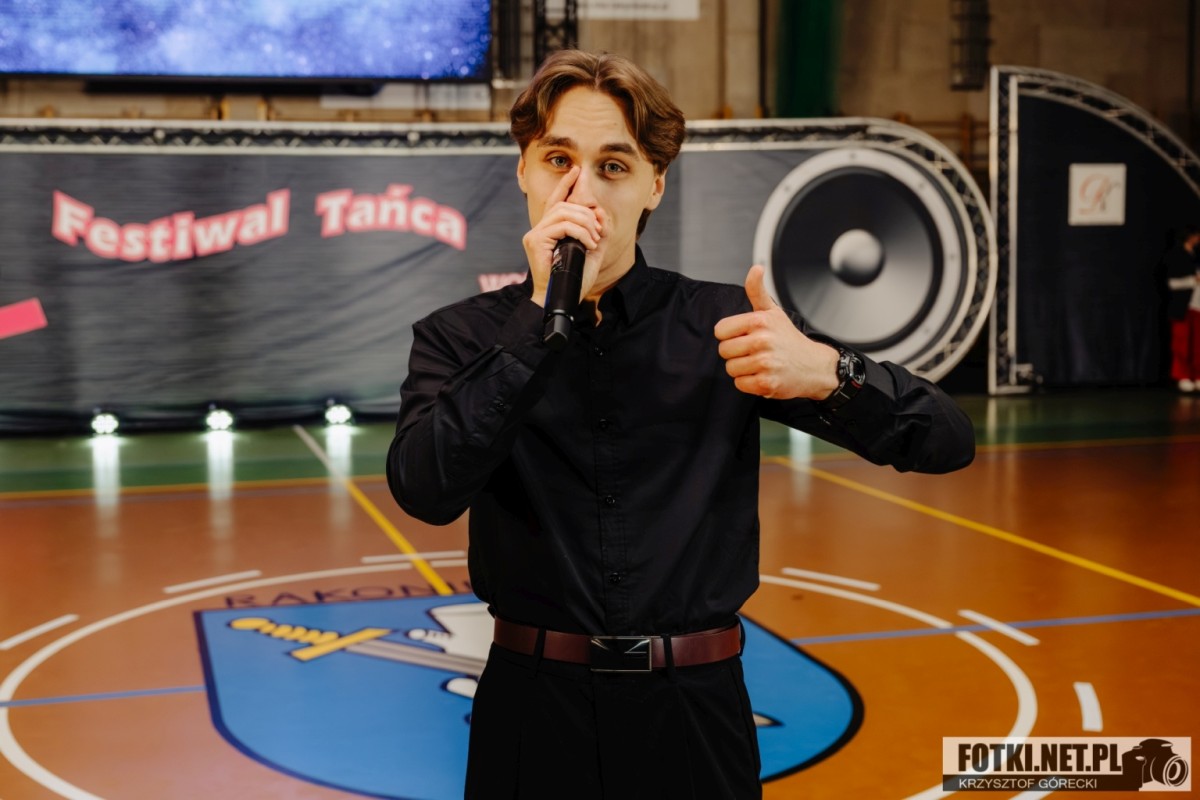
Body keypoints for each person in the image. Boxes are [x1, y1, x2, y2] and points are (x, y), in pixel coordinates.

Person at [386, 50, 975, 799]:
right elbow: (425, 488)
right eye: (559, 160)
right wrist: (535, 323)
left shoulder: (722, 325)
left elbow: (945, 440)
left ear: (654, 185)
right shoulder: (461, 337)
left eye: (614, 166)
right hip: (532, 708)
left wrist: (833, 373)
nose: (581, 190)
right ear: (524, 172)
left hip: (693, 708)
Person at [1164, 224, 1200, 392]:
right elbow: (1172, 283)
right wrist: (1193, 281)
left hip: (1197, 305)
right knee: (1181, 342)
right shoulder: (1176, 255)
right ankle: (1182, 376)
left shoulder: (1196, 255)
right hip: (1182, 306)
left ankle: (1197, 375)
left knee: (1197, 343)